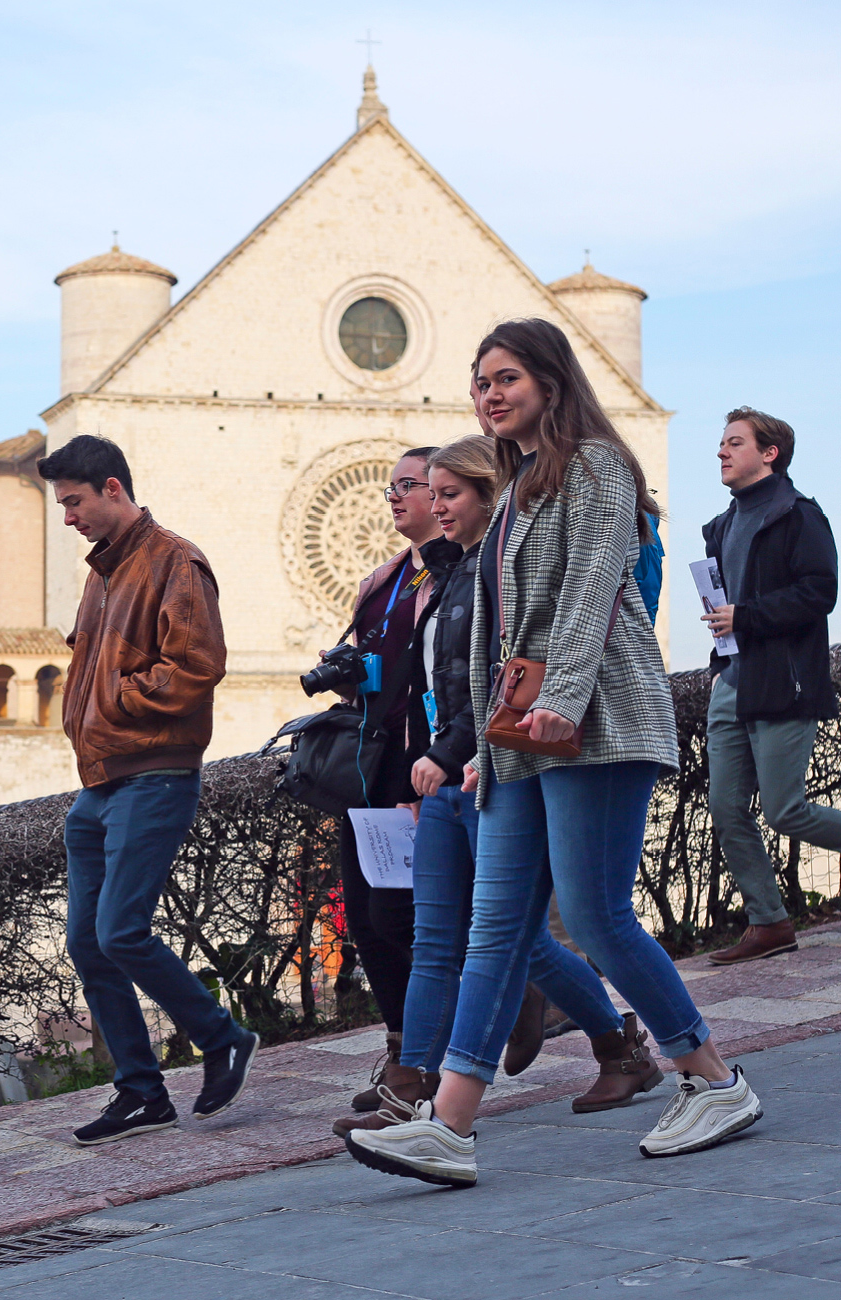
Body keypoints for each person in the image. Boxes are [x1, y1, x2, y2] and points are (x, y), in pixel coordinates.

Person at [347, 320, 762, 1188]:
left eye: (506, 378)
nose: (490, 395)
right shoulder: (517, 489)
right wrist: (482, 744)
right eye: (480, 382)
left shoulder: (596, 466)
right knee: (496, 927)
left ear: (550, 380)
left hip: (596, 724)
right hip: (520, 740)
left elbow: (592, 588)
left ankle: (715, 1081)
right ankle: (448, 1126)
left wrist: (561, 701)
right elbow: (496, 634)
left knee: (597, 915)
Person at [333, 435, 661, 1140]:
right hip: (447, 774)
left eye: (445, 493)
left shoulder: (496, 576)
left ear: (490, 495)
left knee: (524, 936)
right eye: (428, 493)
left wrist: (454, 753)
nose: (431, 505)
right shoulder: (441, 576)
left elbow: (496, 683)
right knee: (446, 938)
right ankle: (415, 1087)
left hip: (488, 769)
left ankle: (648, 1052)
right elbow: (442, 685)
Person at [37, 434, 259, 1146]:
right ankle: (141, 1091)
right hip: (99, 784)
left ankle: (222, 1037)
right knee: (87, 942)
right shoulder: (102, 573)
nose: (68, 517)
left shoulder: (175, 560)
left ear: (112, 488)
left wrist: (114, 702)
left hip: (155, 773)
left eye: (74, 502)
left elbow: (196, 666)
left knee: (121, 931)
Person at [702, 408, 841, 964]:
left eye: (734, 443)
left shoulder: (799, 514)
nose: (721, 452)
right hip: (731, 682)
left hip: (784, 682)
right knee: (726, 809)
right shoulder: (723, 525)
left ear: (769, 453)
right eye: (722, 443)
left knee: (784, 810)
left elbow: (820, 592)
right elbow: (727, 605)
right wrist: (721, 657)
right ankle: (769, 922)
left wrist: (746, 616)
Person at [335, 448, 445, 1116]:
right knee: (366, 920)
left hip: (428, 769)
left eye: (411, 484)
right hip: (370, 768)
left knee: (404, 916)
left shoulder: (461, 575)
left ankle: (427, 1058)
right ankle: (404, 1052)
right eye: (392, 487)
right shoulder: (382, 581)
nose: (396, 496)